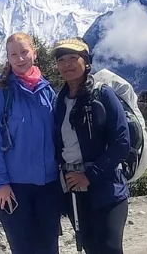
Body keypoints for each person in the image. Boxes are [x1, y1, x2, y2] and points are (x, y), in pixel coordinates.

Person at [0, 32, 62, 254]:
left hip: (48, 185)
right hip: (14, 188)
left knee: (49, 248)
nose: (20, 58)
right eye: (13, 54)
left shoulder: (47, 91)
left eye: (24, 52)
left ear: (34, 52)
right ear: (8, 58)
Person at [52, 38, 130, 254]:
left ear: (86, 62)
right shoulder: (59, 100)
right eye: (61, 60)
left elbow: (121, 143)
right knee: (91, 247)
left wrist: (89, 175)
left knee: (109, 248)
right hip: (75, 190)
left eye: (72, 58)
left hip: (107, 188)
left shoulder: (103, 94)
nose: (66, 64)